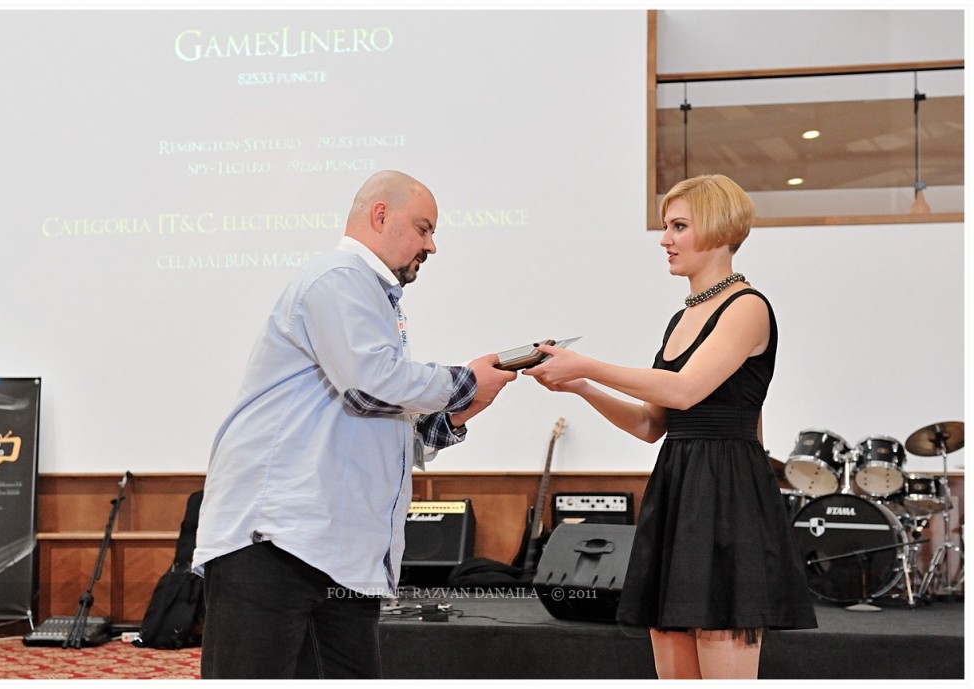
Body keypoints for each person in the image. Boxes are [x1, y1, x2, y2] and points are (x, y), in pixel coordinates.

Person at [191, 170, 517, 679]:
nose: (431, 246)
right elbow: (370, 385)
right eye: (424, 228)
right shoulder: (337, 277)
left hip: (338, 551)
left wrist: (457, 412)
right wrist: (466, 380)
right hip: (276, 541)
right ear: (380, 215)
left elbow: (374, 419)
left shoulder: (370, 296)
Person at [526, 174, 817, 679]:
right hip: (680, 486)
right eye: (667, 226)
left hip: (727, 491)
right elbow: (649, 423)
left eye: (679, 226)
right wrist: (581, 386)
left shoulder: (747, 306)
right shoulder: (681, 318)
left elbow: (684, 390)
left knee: (721, 642)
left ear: (721, 229)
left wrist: (588, 365)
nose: (664, 239)